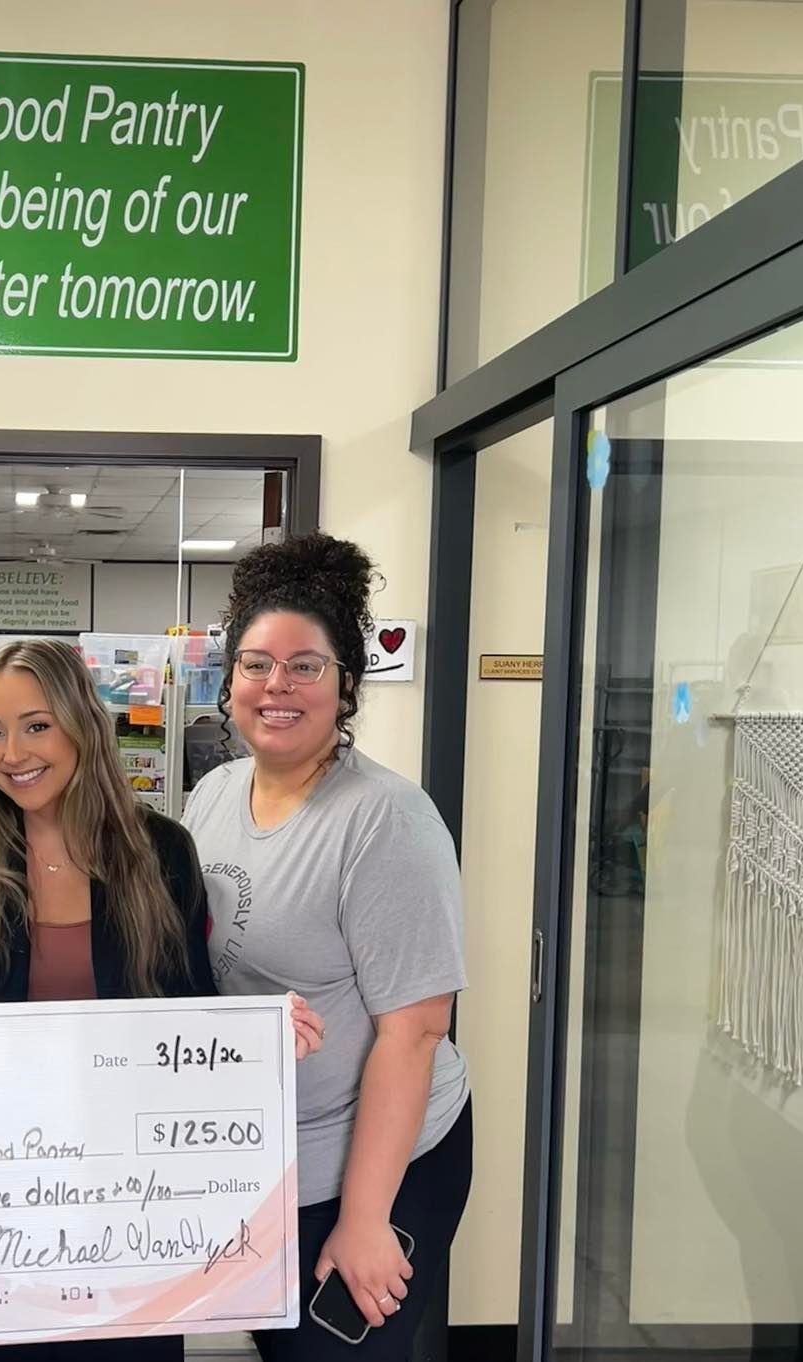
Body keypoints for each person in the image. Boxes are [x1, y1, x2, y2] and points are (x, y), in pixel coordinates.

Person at [0, 637, 323, 1362]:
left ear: (83, 725)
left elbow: (189, 1012)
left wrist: (255, 1036)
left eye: (36, 725)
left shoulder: (159, 852)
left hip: (129, 1193)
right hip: (1, 1188)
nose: (12, 752)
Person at [182, 534, 473, 1362]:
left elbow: (415, 1031)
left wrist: (366, 1216)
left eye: (305, 666)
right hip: (269, 1161)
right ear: (230, 678)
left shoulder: (386, 820)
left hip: (378, 1164)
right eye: (255, 664)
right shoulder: (213, 794)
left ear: (347, 681)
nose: (276, 686)